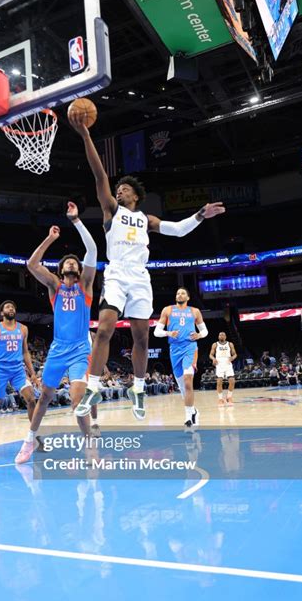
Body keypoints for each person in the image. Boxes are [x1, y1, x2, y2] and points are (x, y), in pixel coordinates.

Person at [69, 111, 225, 420]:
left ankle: (138, 389)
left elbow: (179, 230)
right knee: (104, 330)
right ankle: (94, 386)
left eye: (124, 189)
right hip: (115, 273)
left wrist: (199, 215)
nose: (119, 190)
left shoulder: (146, 220)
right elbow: (100, 176)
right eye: (118, 189)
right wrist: (86, 135)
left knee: (142, 336)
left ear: (136, 196)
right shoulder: (111, 210)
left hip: (140, 278)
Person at [15, 201, 97, 464]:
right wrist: (49, 239)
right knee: (45, 398)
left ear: (79, 269)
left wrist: (75, 220)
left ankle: (89, 446)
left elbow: (92, 249)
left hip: (79, 350)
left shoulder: (85, 286)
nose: (72, 263)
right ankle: (29, 442)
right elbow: (31, 264)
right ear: (61, 270)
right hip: (58, 348)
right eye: (68, 262)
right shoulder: (55, 287)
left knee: (77, 401)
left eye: (75, 262)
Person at [0, 301, 37, 456]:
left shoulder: (23, 329)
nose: (11, 308)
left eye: (13, 307)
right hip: (0, 370)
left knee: (31, 399)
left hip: (18, 370)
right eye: (7, 307)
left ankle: (33, 437)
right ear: (2, 312)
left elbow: (25, 352)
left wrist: (32, 373)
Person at [154, 288, 208, 430]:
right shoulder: (168, 310)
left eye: (183, 293)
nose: (180, 295)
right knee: (183, 387)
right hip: (174, 350)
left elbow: (205, 331)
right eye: (177, 293)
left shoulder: (195, 311)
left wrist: (199, 335)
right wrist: (168, 332)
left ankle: (188, 418)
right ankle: (194, 411)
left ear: (188, 297)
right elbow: (156, 332)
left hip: (190, 348)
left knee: (188, 381)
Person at [209, 332, 237, 405]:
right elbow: (211, 355)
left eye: (223, 335)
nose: (221, 336)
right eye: (220, 335)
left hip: (228, 363)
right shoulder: (215, 344)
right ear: (218, 336)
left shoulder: (230, 344)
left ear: (225, 337)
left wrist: (232, 358)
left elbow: (235, 354)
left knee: (232, 381)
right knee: (219, 382)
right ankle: (220, 399)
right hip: (219, 363)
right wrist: (213, 359)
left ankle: (229, 397)